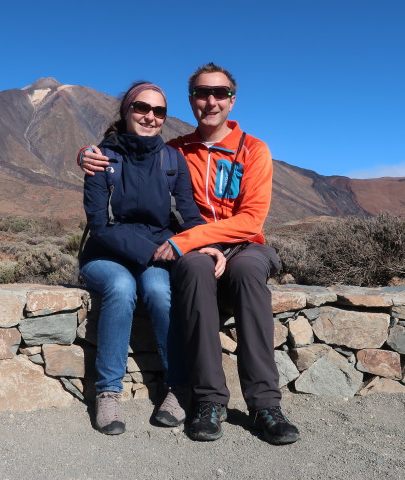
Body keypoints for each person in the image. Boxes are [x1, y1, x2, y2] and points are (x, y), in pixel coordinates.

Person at [78, 63, 301, 445]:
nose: (210, 101)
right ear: (191, 100)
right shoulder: (177, 150)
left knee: (247, 274)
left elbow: (250, 219)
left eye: (220, 93)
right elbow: (125, 156)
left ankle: (265, 405)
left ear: (233, 99)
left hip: (240, 243)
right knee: (193, 272)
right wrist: (86, 153)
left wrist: (192, 242)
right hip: (194, 246)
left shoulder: (253, 150)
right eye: (201, 93)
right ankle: (207, 401)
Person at [78, 81, 226, 435]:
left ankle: (178, 387)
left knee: (160, 293)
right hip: (107, 254)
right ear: (126, 111)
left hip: (158, 253)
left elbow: (190, 214)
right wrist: (151, 253)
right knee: (120, 285)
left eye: (159, 111)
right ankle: (109, 392)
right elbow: (100, 224)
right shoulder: (102, 157)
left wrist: (206, 242)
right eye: (141, 108)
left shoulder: (172, 160)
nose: (150, 116)